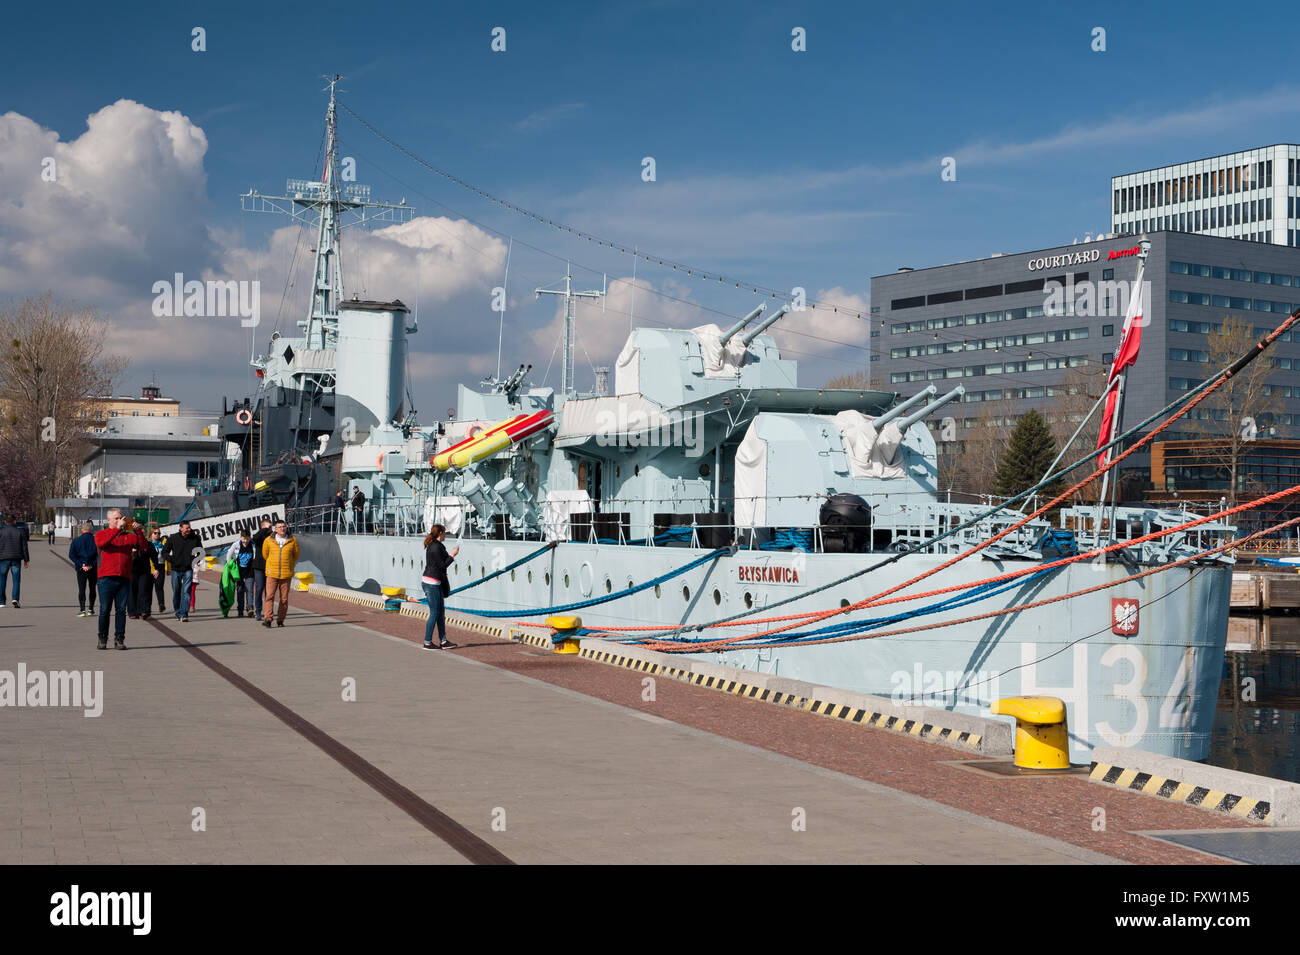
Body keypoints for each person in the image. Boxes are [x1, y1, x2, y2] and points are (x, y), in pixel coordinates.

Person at [93, 509, 140, 649]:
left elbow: (141, 545)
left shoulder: (128, 536)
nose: (120, 520)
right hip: (106, 578)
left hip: (123, 578)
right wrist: (116, 530)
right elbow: (102, 544)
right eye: (116, 518)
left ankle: (119, 639)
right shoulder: (101, 534)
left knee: (121, 610)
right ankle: (102, 638)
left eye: (121, 518)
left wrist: (137, 530)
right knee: (105, 609)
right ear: (109, 520)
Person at [420, 524, 459, 650]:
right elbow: (442, 566)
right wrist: (453, 555)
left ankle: (443, 641)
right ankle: (427, 642)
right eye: (445, 533)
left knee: (440, 613)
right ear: (440, 533)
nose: (445, 535)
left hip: (433, 582)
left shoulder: (434, 545)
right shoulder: (436, 547)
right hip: (432, 583)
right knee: (435, 613)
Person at [161, 520, 203, 622]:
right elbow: (164, 552)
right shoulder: (173, 538)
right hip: (176, 569)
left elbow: (200, 551)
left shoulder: (195, 538)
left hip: (188, 569)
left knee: (186, 592)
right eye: (187, 528)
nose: (189, 529)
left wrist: (196, 561)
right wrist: (171, 560)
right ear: (181, 528)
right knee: (176, 592)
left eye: (189, 527)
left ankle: (184, 614)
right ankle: (178, 612)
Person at [261, 520, 299, 628]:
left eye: (284, 526)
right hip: (272, 573)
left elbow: (296, 555)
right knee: (269, 596)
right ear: (275, 529)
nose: (282, 528)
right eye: (279, 527)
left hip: (286, 573)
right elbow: (265, 554)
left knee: (284, 599)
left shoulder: (293, 540)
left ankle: (280, 620)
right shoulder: (268, 540)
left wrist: (288, 565)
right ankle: (268, 619)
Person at [127, 522, 159, 620]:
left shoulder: (148, 545)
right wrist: (132, 553)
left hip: (144, 571)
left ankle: (144, 611)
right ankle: (132, 612)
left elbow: (154, 557)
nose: (142, 533)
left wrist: (156, 569)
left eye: (143, 532)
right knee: (132, 591)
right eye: (140, 532)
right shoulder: (131, 544)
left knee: (144, 590)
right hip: (132, 570)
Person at [0, 515, 31, 609]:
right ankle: (15, 599)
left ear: (6, 522)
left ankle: (2, 601)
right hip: (16, 559)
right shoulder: (20, 531)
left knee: (2, 580)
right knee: (16, 580)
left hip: (3, 558)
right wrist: (26, 560)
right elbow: (24, 547)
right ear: (14, 522)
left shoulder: (1, 531)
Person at [69, 522, 98, 616]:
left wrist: (81, 564)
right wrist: (92, 565)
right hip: (93, 568)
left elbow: (71, 555)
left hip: (81, 568)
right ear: (91, 530)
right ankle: (91, 609)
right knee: (92, 588)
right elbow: (99, 555)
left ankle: (82, 610)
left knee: (82, 589)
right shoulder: (96, 540)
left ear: (82, 530)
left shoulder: (76, 540)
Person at [226, 530, 257, 618]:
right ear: (241, 537)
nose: (246, 541)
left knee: (250, 590)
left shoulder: (253, 545)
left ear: (250, 538)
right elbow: (229, 554)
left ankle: (250, 608)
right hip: (238, 572)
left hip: (250, 571)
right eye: (244, 539)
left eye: (247, 539)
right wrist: (230, 566)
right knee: (240, 591)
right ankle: (240, 610)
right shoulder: (236, 545)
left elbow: (255, 556)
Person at [250, 518, 273, 621]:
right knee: (259, 589)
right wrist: (264, 530)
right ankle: (258, 611)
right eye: (267, 527)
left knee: (269, 591)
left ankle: (268, 612)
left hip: (270, 566)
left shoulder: (272, 536)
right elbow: (254, 539)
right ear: (262, 527)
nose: (269, 529)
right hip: (259, 566)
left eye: (270, 527)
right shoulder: (259, 536)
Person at [148, 527, 166, 613]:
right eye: (155, 533)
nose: (157, 535)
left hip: (161, 567)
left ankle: (161, 604)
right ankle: (148, 606)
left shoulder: (163, 544)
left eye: (159, 533)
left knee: (159, 587)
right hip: (150, 568)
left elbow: (166, 556)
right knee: (148, 589)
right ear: (151, 534)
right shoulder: (148, 544)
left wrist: (168, 569)